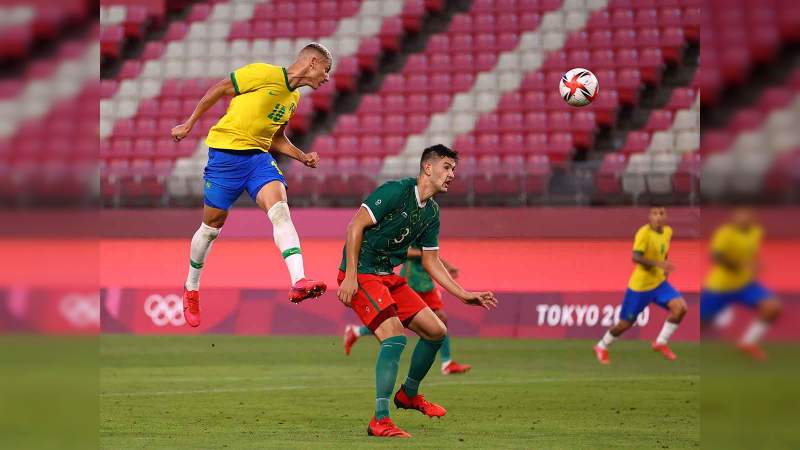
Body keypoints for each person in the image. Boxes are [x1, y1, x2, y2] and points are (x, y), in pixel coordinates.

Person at [336, 144, 498, 438]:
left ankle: (408, 394)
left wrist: (463, 294)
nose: (451, 175)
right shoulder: (396, 191)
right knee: (395, 338)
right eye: (447, 168)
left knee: (437, 331)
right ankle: (380, 420)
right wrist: (349, 276)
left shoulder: (432, 213)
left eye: (454, 170)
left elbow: (430, 260)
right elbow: (354, 226)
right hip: (362, 274)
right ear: (428, 168)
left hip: (389, 277)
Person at [171, 43, 333, 327]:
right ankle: (192, 288)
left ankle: (298, 280)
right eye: (326, 69)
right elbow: (220, 89)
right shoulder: (262, 73)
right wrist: (189, 124)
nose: (327, 77)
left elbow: (276, 137)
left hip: (257, 160)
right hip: (224, 158)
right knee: (210, 230)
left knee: (280, 210)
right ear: (312, 62)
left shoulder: (292, 99)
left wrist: (301, 156)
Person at [343, 246, 472, 375]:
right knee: (395, 322)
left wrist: (447, 266)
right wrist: (426, 254)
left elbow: (430, 252)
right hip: (412, 281)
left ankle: (447, 363)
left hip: (426, 281)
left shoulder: (429, 228)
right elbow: (407, 251)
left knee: (441, 318)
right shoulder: (411, 228)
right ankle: (357, 331)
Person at [593, 206, 689, 364]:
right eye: (655, 213)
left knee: (681, 308)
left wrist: (664, 269)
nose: (658, 217)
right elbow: (636, 257)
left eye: (662, 213)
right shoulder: (643, 233)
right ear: (649, 216)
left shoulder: (667, 232)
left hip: (659, 284)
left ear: (666, 216)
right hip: (640, 288)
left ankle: (661, 342)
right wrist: (658, 263)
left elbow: (664, 252)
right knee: (625, 324)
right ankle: (602, 346)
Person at [700, 208, 781, 360]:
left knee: (773, 307)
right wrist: (742, 266)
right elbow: (716, 257)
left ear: (752, 217)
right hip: (719, 287)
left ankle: (748, 343)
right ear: (734, 217)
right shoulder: (725, 233)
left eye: (746, 215)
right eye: (739, 215)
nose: (742, 219)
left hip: (745, 285)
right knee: (703, 322)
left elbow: (750, 254)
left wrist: (755, 264)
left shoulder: (757, 232)